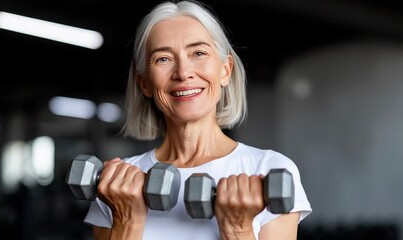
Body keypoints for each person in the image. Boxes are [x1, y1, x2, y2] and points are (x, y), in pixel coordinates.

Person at [83, 0, 312, 239]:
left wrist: (237, 229)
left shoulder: (268, 169)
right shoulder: (115, 185)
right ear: (144, 83)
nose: (183, 72)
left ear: (225, 70)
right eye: (163, 59)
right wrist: (126, 220)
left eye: (199, 53)